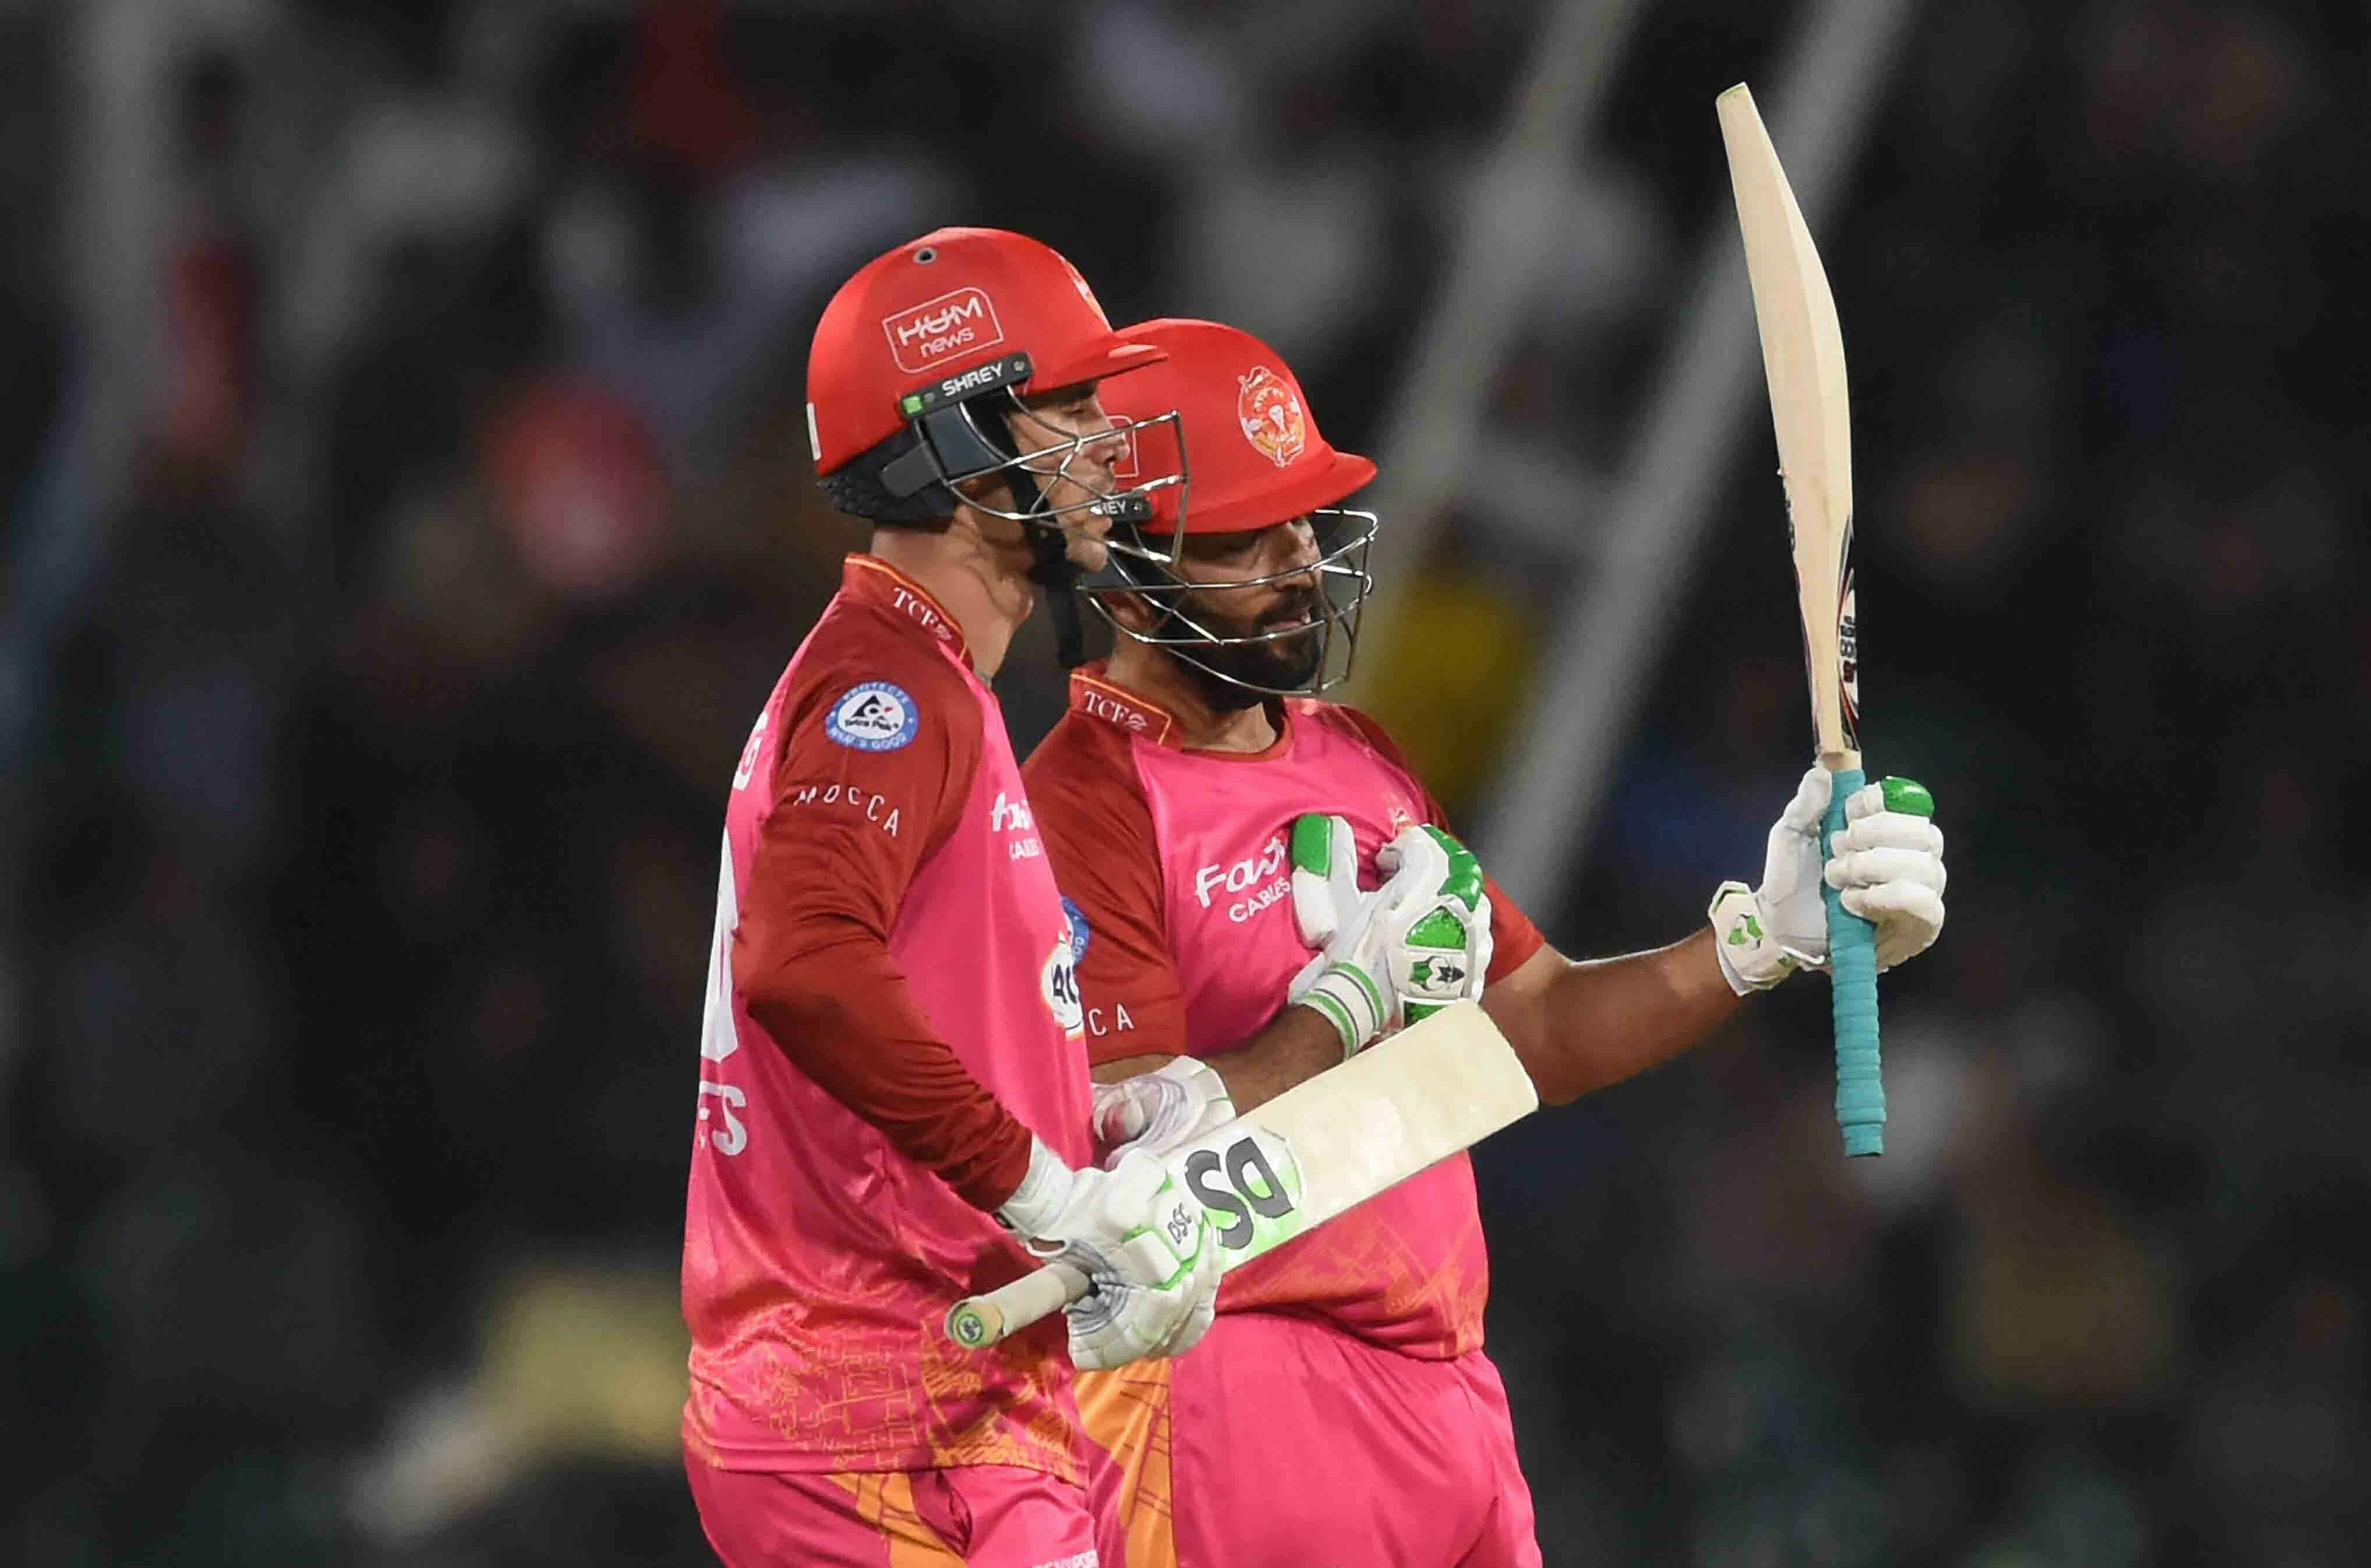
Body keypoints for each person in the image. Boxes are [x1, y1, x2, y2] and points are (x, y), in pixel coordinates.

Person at [1023, 317, 1950, 1567]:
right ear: (1127, 569)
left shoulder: (1354, 754)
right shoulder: (1082, 801)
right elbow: (1113, 1166)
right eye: (1251, 532)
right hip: (1236, 1391)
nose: (1302, 559)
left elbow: (1538, 1030)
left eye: (1305, 516)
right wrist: (1342, 1013)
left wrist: (1753, 939)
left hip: (1447, 1385)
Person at [681, 232, 1228, 1568]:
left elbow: (911, 1010)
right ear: (953, 444)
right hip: (877, 1408)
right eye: (1071, 407)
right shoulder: (895, 692)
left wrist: (1089, 1109)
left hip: (937, 1395)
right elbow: (803, 966)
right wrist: (1046, 1187)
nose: (1108, 441)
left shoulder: (931, 684)